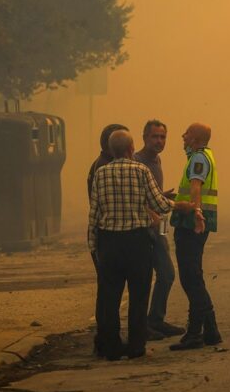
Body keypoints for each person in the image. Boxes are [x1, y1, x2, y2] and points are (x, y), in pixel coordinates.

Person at [88, 129, 174, 361]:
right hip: (137, 242)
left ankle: (111, 347)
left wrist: (94, 246)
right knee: (138, 296)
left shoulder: (101, 173)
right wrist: (179, 204)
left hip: (109, 242)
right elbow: (160, 204)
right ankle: (136, 345)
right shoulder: (141, 170)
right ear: (130, 149)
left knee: (110, 297)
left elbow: (94, 213)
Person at [168, 122, 222, 351]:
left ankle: (195, 334)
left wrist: (196, 213)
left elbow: (196, 187)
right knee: (194, 275)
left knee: (190, 278)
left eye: (187, 133)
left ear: (197, 139)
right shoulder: (204, 156)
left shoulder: (199, 158)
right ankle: (210, 331)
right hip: (196, 221)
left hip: (192, 223)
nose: (183, 136)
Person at [133, 119, 185, 339]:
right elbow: (134, 198)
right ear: (144, 137)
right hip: (144, 227)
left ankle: (155, 320)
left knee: (166, 273)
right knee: (162, 273)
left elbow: (152, 196)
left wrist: (163, 197)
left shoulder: (157, 160)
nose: (159, 141)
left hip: (160, 224)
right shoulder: (137, 162)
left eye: (163, 137)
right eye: (154, 136)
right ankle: (147, 323)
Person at [86, 122, 128, 357]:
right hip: (106, 235)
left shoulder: (101, 165)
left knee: (106, 289)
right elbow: (102, 207)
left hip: (101, 234)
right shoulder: (104, 167)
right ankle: (107, 339)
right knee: (109, 291)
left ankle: (104, 339)